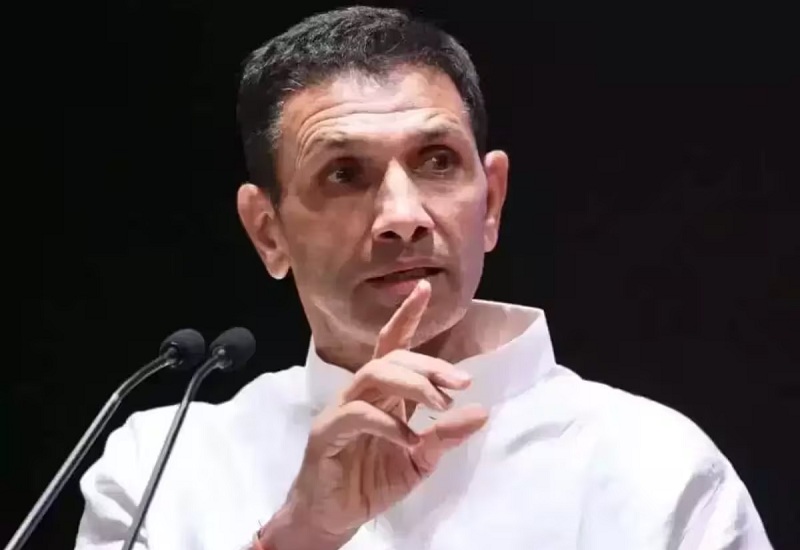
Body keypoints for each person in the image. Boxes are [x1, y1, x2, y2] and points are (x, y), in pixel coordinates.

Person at [75, 6, 772, 550]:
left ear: (491, 202)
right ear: (268, 231)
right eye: (344, 174)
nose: (402, 217)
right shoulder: (161, 466)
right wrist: (297, 536)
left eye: (437, 161)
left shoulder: (656, 467)